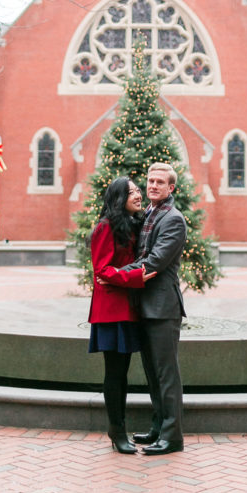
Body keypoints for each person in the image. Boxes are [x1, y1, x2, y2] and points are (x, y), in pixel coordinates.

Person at [88, 177, 155, 454]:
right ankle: (117, 432)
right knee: (115, 373)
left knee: (123, 373)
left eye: (138, 190)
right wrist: (135, 278)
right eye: (132, 192)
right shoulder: (105, 227)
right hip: (111, 312)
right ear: (118, 197)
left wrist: (124, 277)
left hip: (127, 308)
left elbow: (114, 272)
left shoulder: (133, 224)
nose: (138, 194)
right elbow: (101, 270)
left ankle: (119, 428)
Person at [128, 162, 187, 456]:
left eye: (160, 182)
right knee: (152, 373)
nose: (152, 186)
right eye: (150, 181)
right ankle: (157, 428)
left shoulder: (173, 220)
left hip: (163, 308)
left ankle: (172, 437)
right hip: (145, 306)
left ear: (171, 188)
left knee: (167, 375)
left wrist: (116, 273)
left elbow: (153, 262)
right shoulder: (149, 214)